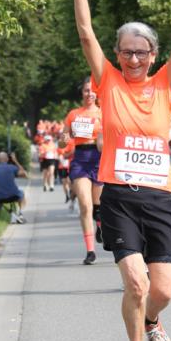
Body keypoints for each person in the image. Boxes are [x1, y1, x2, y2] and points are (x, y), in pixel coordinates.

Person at [61, 0, 171, 341]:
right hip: (118, 196)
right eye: (126, 52)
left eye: (141, 52)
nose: (133, 59)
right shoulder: (108, 82)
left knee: (163, 291)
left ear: (153, 55)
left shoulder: (164, 85)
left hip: (159, 198)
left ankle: (154, 322)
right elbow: (85, 33)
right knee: (135, 283)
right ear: (117, 55)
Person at [64, 79, 103, 264]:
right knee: (85, 205)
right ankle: (90, 251)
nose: (89, 94)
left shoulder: (104, 113)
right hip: (80, 158)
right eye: (86, 91)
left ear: (97, 94)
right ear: (82, 93)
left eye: (92, 91)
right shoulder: (74, 114)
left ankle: (100, 225)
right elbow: (65, 138)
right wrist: (64, 140)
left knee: (99, 206)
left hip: (99, 158)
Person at [0, 150, 28, 222]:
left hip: (1, 198)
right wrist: (15, 160)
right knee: (22, 193)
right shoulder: (12, 167)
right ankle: (20, 213)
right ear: (7, 159)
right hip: (14, 196)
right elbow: (25, 174)